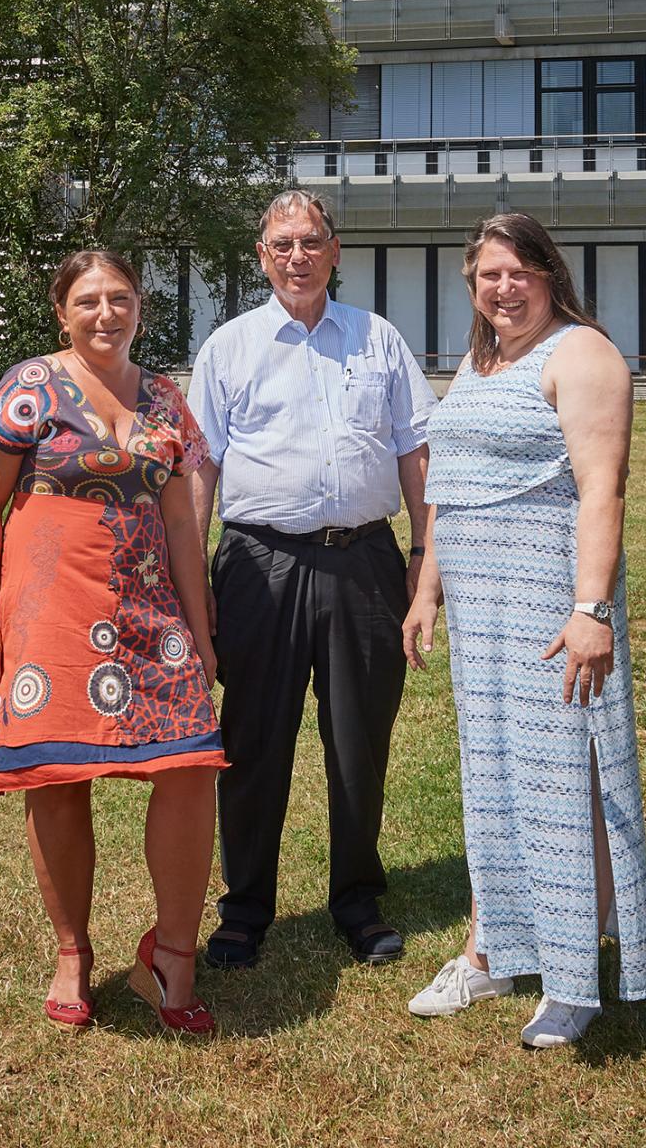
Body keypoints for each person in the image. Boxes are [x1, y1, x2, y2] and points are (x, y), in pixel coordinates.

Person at [402, 211, 646, 1048]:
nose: (503, 288)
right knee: (494, 777)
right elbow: (454, 484)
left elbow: (601, 488)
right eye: (487, 276)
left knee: (561, 782)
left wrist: (590, 611)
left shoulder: (581, 353)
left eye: (520, 272)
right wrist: (427, 589)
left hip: (551, 607)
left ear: (550, 274)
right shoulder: (481, 362)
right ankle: (491, 949)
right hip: (482, 614)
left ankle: (575, 971)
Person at [0, 249, 224, 1037]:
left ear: (141, 305)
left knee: (190, 765)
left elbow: (182, 521)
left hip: (149, 603)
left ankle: (171, 958)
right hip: (50, 607)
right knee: (56, 774)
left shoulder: (165, 399)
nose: (105, 313)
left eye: (120, 298)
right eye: (88, 301)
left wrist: (201, 633)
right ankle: (71, 953)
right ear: (61, 312)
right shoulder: (29, 387)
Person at [187, 190, 436, 969]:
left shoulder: (379, 340)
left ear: (336, 251)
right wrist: (190, 579)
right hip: (259, 565)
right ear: (262, 257)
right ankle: (245, 909)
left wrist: (424, 565)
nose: (296, 256)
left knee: (360, 742)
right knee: (254, 741)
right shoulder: (227, 348)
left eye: (310, 242)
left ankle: (357, 901)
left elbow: (415, 455)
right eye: (281, 244)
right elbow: (201, 471)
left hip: (365, 562)